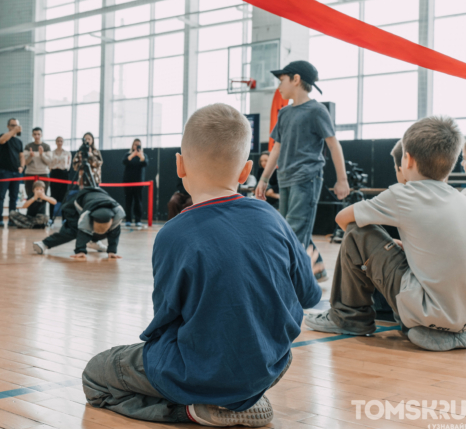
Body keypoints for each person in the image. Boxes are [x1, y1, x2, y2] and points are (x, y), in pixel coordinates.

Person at [81, 104, 320, 427]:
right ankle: (236, 399)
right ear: (245, 171)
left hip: (200, 371)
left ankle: (193, 411)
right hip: (270, 368)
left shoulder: (173, 234)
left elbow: (165, 318)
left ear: (179, 165)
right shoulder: (273, 219)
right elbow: (309, 296)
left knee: (96, 374)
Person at [305, 116, 466, 352]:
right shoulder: (460, 198)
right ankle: (446, 331)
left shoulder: (404, 194)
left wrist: (386, 242)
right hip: (460, 317)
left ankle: (348, 317)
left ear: (407, 159)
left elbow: (343, 219)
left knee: (357, 231)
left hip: (428, 309)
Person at [255, 61, 350, 283]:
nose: (279, 87)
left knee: (294, 231)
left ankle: (289, 282)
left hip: (307, 178)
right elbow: (276, 147)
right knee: (291, 229)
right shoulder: (285, 113)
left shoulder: (317, 111)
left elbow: (334, 145)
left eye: (282, 81)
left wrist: (342, 179)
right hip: (286, 178)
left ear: (296, 79)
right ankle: (319, 271)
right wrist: (264, 179)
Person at [33, 187, 124, 260]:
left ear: (112, 219)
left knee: (109, 230)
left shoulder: (118, 213)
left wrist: (112, 251)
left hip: (96, 200)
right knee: (73, 231)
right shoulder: (86, 215)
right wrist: (81, 251)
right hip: (74, 208)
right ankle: (44, 243)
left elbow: (114, 232)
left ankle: (93, 242)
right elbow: (83, 230)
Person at [0, 118, 25, 227]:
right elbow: (2, 141)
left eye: (16, 125)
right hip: (4, 172)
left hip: (16, 172)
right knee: (1, 196)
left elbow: (21, 156)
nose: (15, 127)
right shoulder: (3, 136)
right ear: (8, 126)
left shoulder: (19, 142)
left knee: (13, 197)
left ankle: (12, 219)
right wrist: (14, 131)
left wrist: (22, 166)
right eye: (12, 125)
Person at [122, 138, 148, 227]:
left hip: (138, 183)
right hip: (128, 182)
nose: (137, 146)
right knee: (128, 202)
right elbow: (124, 162)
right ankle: (128, 220)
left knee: (138, 202)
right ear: (132, 145)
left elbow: (145, 163)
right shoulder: (128, 154)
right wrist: (133, 155)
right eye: (135, 144)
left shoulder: (143, 155)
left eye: (138, 144)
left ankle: (138, 220)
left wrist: (140, 156)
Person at [24, 127, 52, 198]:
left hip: (43, 173)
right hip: (30, 173)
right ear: (32, 135)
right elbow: (26, 162)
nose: (37, 136)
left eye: (38, 134)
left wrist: (42, 154)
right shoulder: (28, 146)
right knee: (30, 196)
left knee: (43, 196)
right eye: (35, 134)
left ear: (41, 135)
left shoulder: (46, 146)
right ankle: (30, 209)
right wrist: (30, 156)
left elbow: (49, 162)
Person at [48, 136, 71, 222]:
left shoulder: (67, 153)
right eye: (58, 141)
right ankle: (50, 218)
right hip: (54, 173)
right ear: (56, 142)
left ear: (63, 142)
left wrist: (65, 170)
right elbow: (49, 163)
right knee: (53, 195)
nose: (59, 142)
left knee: (64, 197)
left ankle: (64, 218)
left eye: (61, 141)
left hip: (63, 174)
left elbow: (68, 165)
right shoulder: (51, 153)